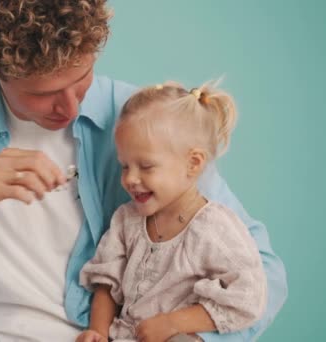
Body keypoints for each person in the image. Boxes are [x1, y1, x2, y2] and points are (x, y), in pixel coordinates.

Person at [0, 1, 287, 341]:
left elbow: (261, 274)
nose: (69, 107)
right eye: (42, 94)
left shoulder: (144, 122)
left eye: (81, 78)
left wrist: (181, 334)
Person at [76, 81, 267, 342]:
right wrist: (97, 332)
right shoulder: (126, 220)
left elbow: (248, 296)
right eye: (124, 166)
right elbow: (107, 285)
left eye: (146, 166)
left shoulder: (214, 228)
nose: (130, 179)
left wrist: (173, 323)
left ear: (193, 164)